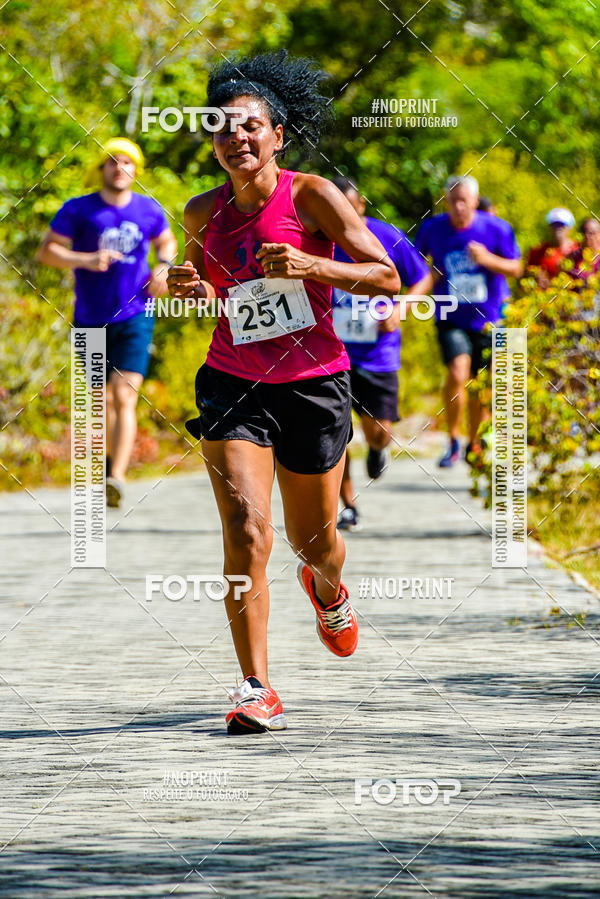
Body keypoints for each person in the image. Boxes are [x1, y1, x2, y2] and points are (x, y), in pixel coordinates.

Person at [167, 51, 400, 735]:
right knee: (246, 532)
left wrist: (309, 262)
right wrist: (192, 292)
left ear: (277, 134)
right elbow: (221, 298)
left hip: (314, 385)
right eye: (222, 129)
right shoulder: (201, 210)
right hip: (234, 383)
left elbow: (385, 276)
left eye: (250, 127)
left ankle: (327, 589)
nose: (236, 138)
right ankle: (255, 685)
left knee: (314, 542)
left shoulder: (312, 197)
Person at [36, 138, 177, 507]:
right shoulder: (79, 210)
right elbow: (47, 252)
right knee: (99, 401)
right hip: (89, 318)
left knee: (124, 395)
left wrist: (163, 268)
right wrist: (85, 260)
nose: (120, 168)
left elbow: (167, 242)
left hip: (136, 314)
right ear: (102, 169)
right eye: (113, 162)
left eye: (127, 162)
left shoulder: (149, 209)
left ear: (136, 170)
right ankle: (106, 467)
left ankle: (116, 477)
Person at [330, 177, 432, 531]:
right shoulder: (316, 239)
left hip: (378, 354)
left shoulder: (386, 237)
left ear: (360, 206)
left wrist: (400, 309)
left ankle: (376, 449)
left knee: (378, 431)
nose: (340, 214)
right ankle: (348, 505)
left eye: (348, 207)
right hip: (329, 355)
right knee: (335, 434)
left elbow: (423, 278)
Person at [415, 175, 522, 467]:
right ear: (445, 202)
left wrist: (487, 259)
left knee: (481, 386)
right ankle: (451, 440)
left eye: (464, 200)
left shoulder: (496, 229)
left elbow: (516, 268)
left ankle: (472, 442)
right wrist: (420, 285)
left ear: (475, 201)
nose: (458, 206)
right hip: (450, 314)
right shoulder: (433, 229)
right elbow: (415, 267)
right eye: (452, 201)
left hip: (491, 319)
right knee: (457, 373)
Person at [526, 207, 577, 286]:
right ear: (549, 227)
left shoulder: (578, 251)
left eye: (562, 225)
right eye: (555, 225)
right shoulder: (537, 252)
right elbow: (524, 278)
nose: (558, 228)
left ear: (569, 228)